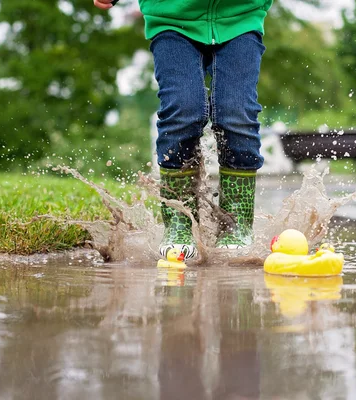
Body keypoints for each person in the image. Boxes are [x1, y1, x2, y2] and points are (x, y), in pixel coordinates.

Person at [94, 0, 273, 259]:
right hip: (171, 17)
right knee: (182, 109)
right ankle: (179, 220)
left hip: (240, 16)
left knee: (236, 114)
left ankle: (236, 222)